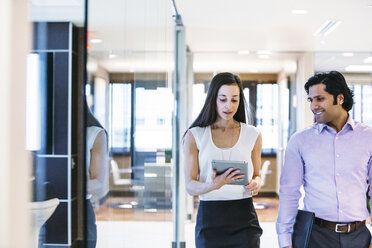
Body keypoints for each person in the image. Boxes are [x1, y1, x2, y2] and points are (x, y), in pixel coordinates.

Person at [276, 71, 372, 248]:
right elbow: (289, 192)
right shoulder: (300, 140)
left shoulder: (368, 137)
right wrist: (285, 241)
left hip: (359, 237)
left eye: (320, 99)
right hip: (316, 236)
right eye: (310, 100)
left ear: (340, 98)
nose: (313, 106)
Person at [183, 72, 263, 248]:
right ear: (213, 99)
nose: (229, 105)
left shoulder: (253, 134)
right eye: (223, 99)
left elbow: (257, 175)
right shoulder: (195, 135)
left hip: (244, 217)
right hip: (210, 218)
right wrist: (213, 184)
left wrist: (256, 183)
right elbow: (189, 185)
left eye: (234, 100)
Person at [85, 100, 109, 247]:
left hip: (81, 210)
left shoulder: (94, 133)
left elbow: (98, 183)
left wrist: (66, 187)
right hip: (46, 209)